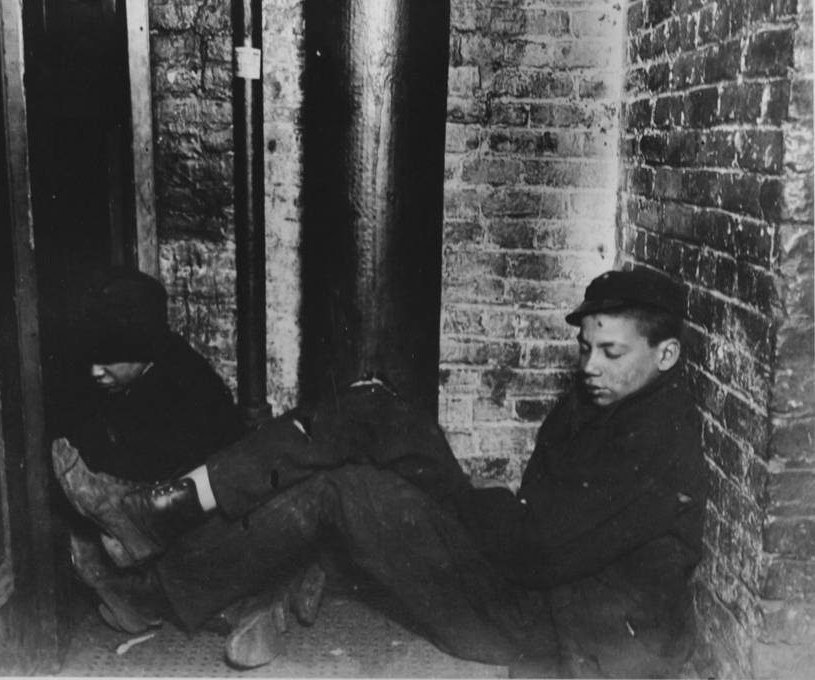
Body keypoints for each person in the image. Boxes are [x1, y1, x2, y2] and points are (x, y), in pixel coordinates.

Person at [72, 266, 707, 677]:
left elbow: (537, 549)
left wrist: (452, 495)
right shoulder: (600, 404)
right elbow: (536, 525)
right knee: (361, 432)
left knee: (354, 463)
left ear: (667, 354)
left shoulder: (657, 439)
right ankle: (164, 525)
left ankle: (163, 526)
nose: (589, 364)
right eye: (585, 347)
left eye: (611, 351)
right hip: (521, 579)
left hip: (544, 623)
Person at [51, 267, 324, 659]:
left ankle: (276, 589)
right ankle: (142, 594)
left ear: (143, 349)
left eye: (109, 360)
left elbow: (188, 475)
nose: (96, 372)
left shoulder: (184, 385)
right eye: (92, 360)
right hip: (163, 503)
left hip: (220, 508)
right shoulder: (115, 384)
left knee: (194, 553)